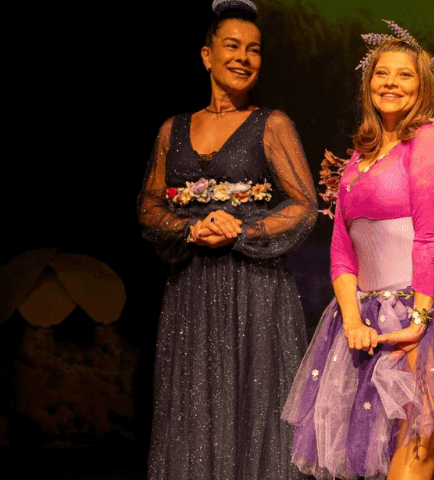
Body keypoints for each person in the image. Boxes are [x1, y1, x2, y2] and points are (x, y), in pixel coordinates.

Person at [281, 24, 434, 480]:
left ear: (422, 86)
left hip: (425, 311)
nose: (390, 82)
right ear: (369, 84)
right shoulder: (358, 159)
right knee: (383, 455)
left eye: (404, 75)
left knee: (415, 448)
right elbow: (342, 250)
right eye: (382, 73)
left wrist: (419, 322)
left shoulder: (426, 141)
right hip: (366, 314)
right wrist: (351, 319)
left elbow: (429, 238)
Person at [137, 1, 317, 478]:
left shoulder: (271, 124)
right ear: (206, 55)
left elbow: (303, 204)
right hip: (191, 293)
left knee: (255, 403)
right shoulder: (171, 130)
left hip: (255, 289)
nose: (243, 58)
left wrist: (242, 229)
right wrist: (189, 227)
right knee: (192, 404)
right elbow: (150, 205)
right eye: (232, 46)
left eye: (253, 50)